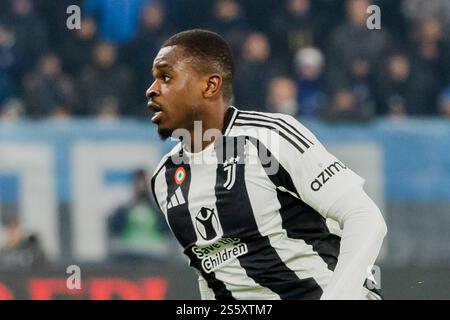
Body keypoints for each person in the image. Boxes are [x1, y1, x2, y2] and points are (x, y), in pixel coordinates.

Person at [147, 29, 387, 300]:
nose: (152, 90)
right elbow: (213, 278)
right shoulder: (164, 180)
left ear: (210, 86)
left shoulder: (269, 137)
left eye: (166, 78)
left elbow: (365, 217)